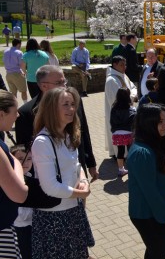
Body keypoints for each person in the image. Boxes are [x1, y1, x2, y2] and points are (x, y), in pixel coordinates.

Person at [31, 87, 94, 258]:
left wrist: (84, 181)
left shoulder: (67, 135)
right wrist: (82, 193)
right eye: (65, 104)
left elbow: (77, 165)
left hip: (72, 211)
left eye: (73, 104)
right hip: (54, 218)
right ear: (51, 108)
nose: (72, 109)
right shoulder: (43, 142)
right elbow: (50, 187)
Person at [15, 65, 99, 182]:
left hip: (77, 171)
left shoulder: (74, 101)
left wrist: (91, 163)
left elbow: (84, 132)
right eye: (59, 82)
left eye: (64, 81)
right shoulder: (26, 113)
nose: (64, 86)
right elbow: (24, 150)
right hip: (49, 178)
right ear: (44, 86)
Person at [127, 103, 165, 259]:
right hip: (147, 214)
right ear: (149, 124)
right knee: (159, 253)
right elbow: (150, 191)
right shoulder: (142, 153)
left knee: (154, 251)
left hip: (156, 212)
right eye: (160, 122)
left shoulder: (155, 143)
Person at [0, 90, 28, 258]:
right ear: (1, 114)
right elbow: (20, 194)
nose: (17, 115)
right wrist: (16, 163)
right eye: (14, 111)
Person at [105, 56, 138, 158]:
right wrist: (132, 96)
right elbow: (116, 99)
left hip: (126, 112)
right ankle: (120, 157)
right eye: (121, 65)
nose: (124, 67)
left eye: (125, 64)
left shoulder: (123, 75)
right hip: (119, 115)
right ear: (114, 65)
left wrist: (132, 95)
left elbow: (133, 87)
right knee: (120, 142)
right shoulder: (111, 80)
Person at [10, 145, 33, 259]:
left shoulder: (31, 178)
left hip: (32, 225)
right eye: (20, 159)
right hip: (19, 227)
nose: (25, 162)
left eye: (29, 159)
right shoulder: (11, 182)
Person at [110, 88, 136, 177]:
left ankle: (121, 170)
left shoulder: (113, 109)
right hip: (129, 134)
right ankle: (133, 169)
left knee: (120, 152)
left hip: (117, 134)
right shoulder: (132, 109)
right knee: (131, 151)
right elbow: (134, 124)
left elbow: (111, 122)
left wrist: (114, 131)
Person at [4, 38, 28, 104]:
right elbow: (22, 64)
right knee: (23, 91)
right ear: (18, 44)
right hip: (17, 73)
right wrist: (25, 72)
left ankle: (14, 107)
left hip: (8, 74)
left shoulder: (6, 51)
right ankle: (25, 105)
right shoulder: (19, 52)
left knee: (13, 93)